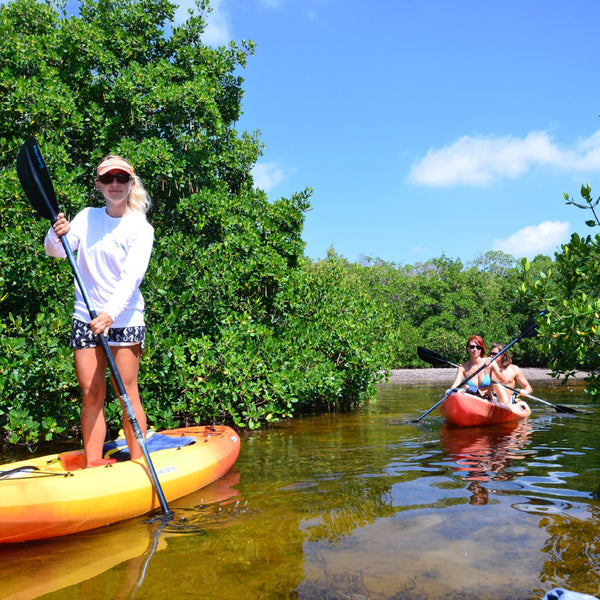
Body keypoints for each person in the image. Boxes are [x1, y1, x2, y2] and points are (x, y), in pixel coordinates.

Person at [45, 155, 154, 467]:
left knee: (126, 392)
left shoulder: (140, 228)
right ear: (99, 185)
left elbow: (131, 277)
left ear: (131, 184)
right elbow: (55, 251)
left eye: (121, 178)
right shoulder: (88, 217)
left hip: (124, 316)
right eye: (108, 179)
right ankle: (93, 463)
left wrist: (109, 314)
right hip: (86, 316)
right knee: (92, 394)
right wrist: (57, 232)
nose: (115, 184)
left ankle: (138, 462)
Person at [448, 335, 511, 404]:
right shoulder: (462, 367)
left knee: (498, 386)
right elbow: (455, 384)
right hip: (471, 402)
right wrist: (451, 391)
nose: (475, 349)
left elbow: (503, 380)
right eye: (472, 347)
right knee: (466, 387)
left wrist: (494, 368)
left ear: (481, 349)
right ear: (467, 348)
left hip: (488, 401)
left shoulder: (490, 361)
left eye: (478, 347)